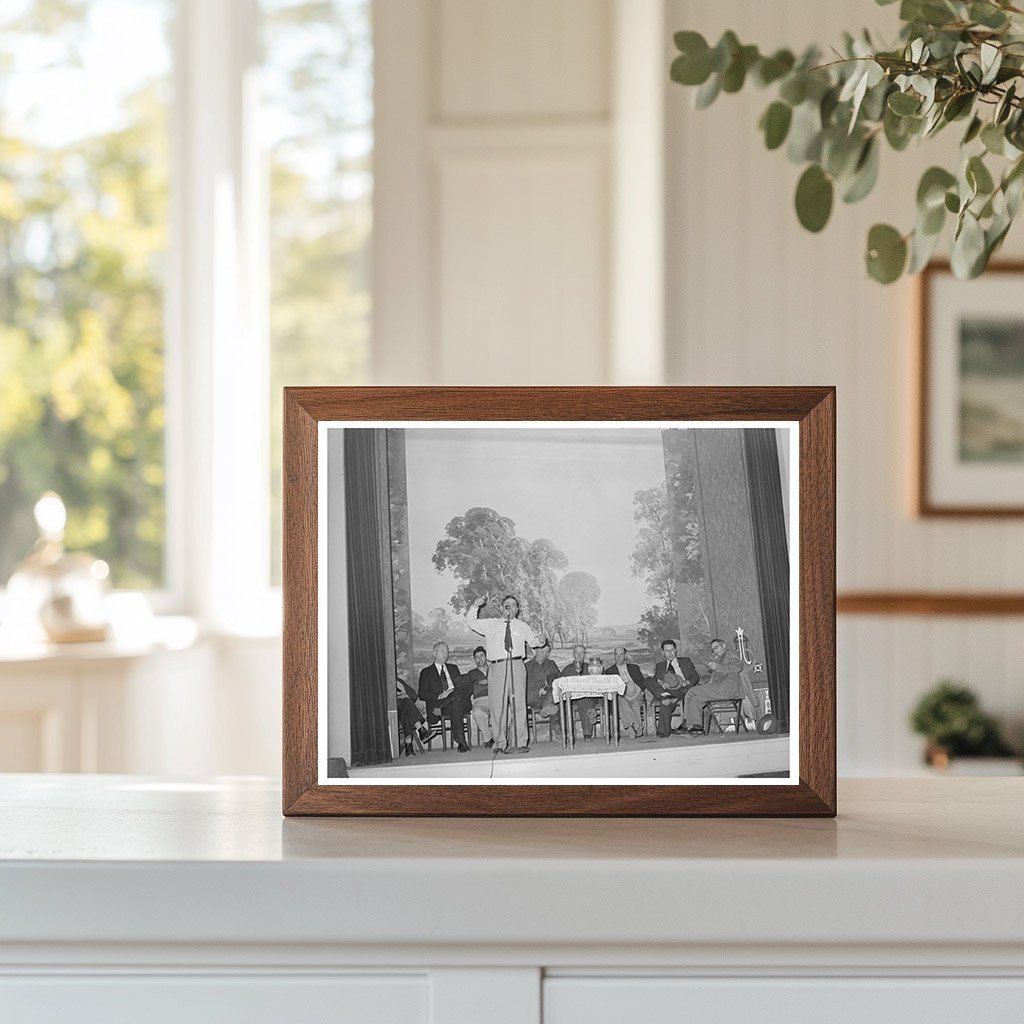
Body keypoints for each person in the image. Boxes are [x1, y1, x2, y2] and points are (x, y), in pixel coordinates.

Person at [465, 593, 540, 753]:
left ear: (517, 609)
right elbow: (470, 622)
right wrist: (475, 606)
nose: (510, 607)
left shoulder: (522, 626)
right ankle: (499, 743)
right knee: (497, 706)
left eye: (513, 604)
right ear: (501, 608)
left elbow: (535, 641)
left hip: (517, 665)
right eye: (507, 604)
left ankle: (520, 742)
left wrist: (541, 640)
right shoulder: (490, 624)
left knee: (519, 706)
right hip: (497, 668)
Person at [416, 641, 472, 753]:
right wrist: (440, 695)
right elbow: (421, 694)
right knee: (456, 701)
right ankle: (461, 742)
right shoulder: (426, 672)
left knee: (464, 686)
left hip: (458, 701)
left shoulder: (454, 668)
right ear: (434, 653)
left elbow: (460, 688)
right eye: (443, 650)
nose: (446, 653)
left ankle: (461, 741)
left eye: (447, 651)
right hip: (441, 704)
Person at [682, 637, 745, 734]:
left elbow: (738, 667)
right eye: (713, 649)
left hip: (729, 688)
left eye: (717, 647)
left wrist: (717, 667)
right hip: (719, 689)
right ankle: (697, 726)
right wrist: (711, 671)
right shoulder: (718, 659)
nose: (715, 651)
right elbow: (713, 679)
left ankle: (685, 722)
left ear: (724, 645)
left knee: (691, 691)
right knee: (694, 699)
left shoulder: (729, 653)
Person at [649, 639, 700, 738]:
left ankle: (663, 732)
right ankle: (665, 697)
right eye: (667, 651)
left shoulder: (685, 661)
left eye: (672, 650)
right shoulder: (660, 665)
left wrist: (686, 682)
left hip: (682, 689)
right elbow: (656, 680)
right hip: (666, 691)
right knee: (648, 680)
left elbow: (695, 677)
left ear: (676, 650)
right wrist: (661, 683)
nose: (670, 653)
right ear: (663, 653)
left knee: (665, 701)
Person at [560, 643, 598, 740]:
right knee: (582, 698)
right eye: (577, 653)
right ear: (573, 654)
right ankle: (587, 733)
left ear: (585, 655)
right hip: (572, 699)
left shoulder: (591, 668)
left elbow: (598, 682)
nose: (579, 655)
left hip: (591, 698)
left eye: (582, 653)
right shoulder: (567, 669)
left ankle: (590, 717)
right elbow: (562, 686)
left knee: (584, 697)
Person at [526, 640, 562, 740]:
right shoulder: (528, 666)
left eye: (545, 652)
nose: (542, 653)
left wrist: (546, 688)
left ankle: (547, 707)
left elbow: (558, 680)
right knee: (553, 701)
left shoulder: (551, 664)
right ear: (536, 650)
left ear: (548, 654)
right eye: (540, 651)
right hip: (533, 696)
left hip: (548, 694)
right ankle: (558, 730)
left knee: (553, 696)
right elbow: (527, 684)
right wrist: (543, 685)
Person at [610, 646, 646, 739]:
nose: (618, 657)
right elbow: (611, 689)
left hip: (636, 693)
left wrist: (639, 691)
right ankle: (636, 727)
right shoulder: (609, 671)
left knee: (635, 704)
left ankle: (633, 727)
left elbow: (642, 682)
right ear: (614, 656)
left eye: (621, 654)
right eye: (616, 655)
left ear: (625, 656)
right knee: (620, 701)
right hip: (621, 696)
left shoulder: (634, 668)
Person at [462, 645, 494, 748]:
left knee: (509, 711)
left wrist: (488, 681)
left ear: (486, 657)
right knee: (476, 712)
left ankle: (502, 738)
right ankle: (488, 738)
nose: (479, 658)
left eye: (482, 655)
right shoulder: (472, 673)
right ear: (475, 660)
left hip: (496, 698)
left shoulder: (494, 669)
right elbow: (467, 688)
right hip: (480, 700)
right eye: (477, 657)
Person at [396, 676, 430, 756]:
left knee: (405, 713)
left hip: (404, 711)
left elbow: (413, 694)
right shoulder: (384, 684)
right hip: (394, 713)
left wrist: (406, 695)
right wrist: (398, 697)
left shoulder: (399, 681)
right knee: (406, 704)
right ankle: (420, 729)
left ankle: (409, 747)